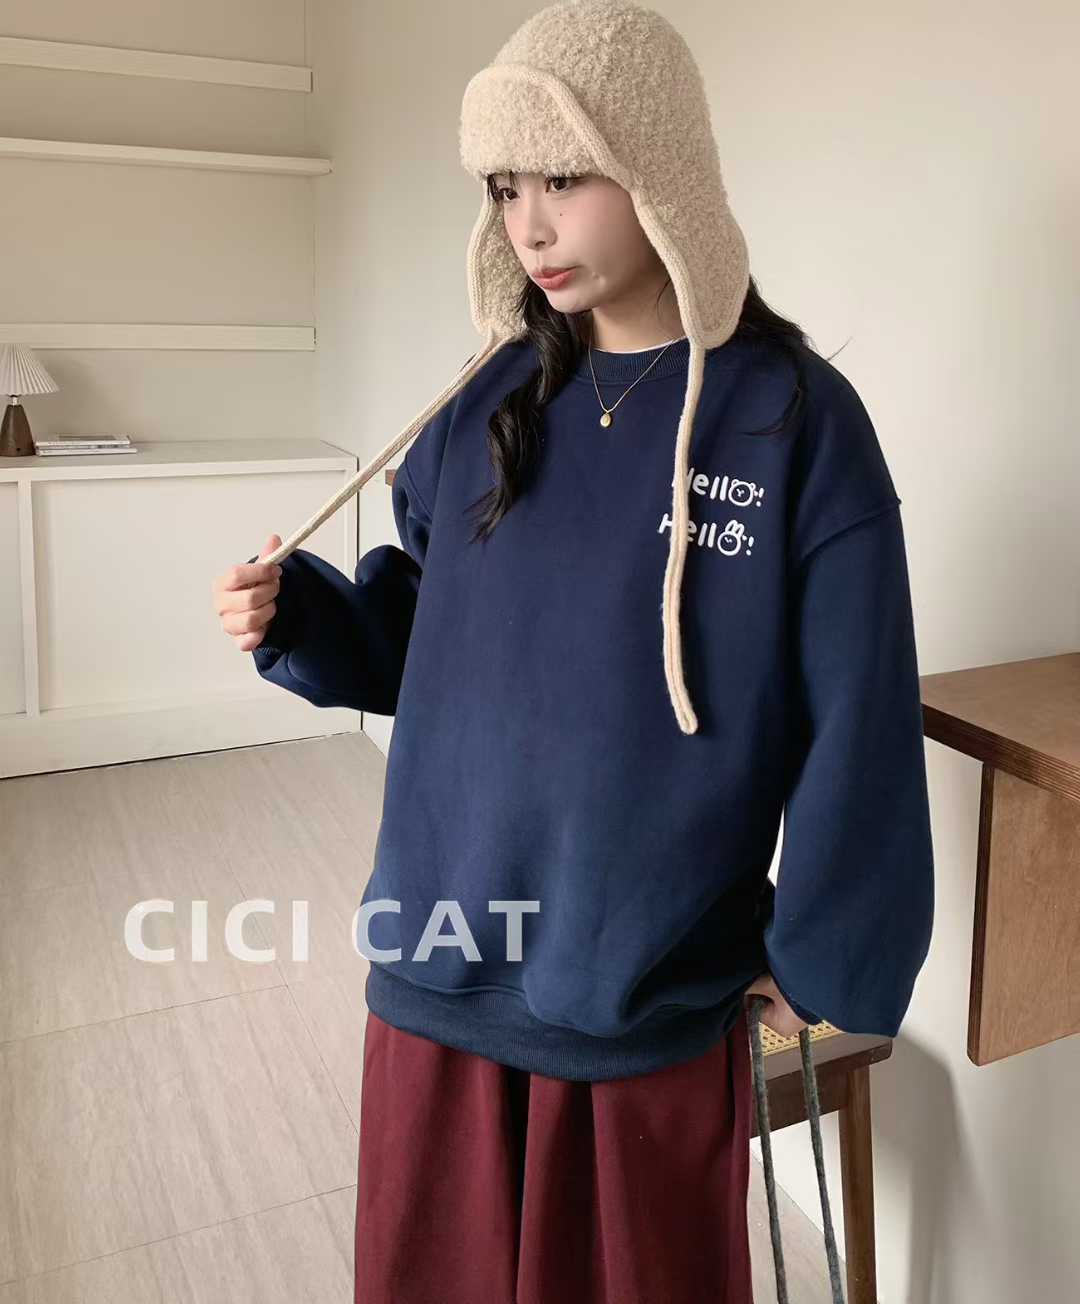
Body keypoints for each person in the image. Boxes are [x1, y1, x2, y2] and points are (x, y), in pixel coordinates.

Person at [211, 4, 934, 1301]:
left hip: (638, 1002)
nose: (528, 226)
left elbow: (859, 721)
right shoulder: (483, 400)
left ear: (658, 165)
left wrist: (824, 955)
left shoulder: (794, 424)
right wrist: (305, 620)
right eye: (504, 187)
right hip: (436, 968)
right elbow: (436, 636)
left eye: (562, 177)